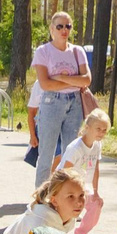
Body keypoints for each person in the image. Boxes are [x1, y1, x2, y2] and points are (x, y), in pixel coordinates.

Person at [31, 12, 95, 186]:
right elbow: (45, 84)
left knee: (72, 151)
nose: (64, 30)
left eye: (68, 26)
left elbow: (87, 80)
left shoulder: (77, 51)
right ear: (52, 29)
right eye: (59, 26)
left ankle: (67, 193)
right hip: (52, 102)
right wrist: (74, 81)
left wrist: (60, 78)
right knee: (46, 153)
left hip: (75, 103)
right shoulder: (43, 51)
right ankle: (41, 195)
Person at [63, 109, 111, 234]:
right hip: (67, 185)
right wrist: (69, 194)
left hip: (83, 186)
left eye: (104, 130)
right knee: (67, 213)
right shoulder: (75, 148)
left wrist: (95, 192)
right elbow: (64, 172)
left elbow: (95, 168)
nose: (101, 133)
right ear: (87, 127)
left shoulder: (97, 145)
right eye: (98, 129)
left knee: (97, 204)